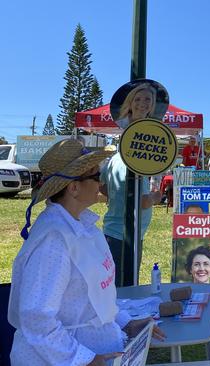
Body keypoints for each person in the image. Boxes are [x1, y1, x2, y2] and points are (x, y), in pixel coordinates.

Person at [9, 139, 165, 365]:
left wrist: (125, 322)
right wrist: (83, 359)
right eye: (95, 176)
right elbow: (36, 317)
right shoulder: (54, 240)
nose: (101, 181)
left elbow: (93, 297)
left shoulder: (82, 226)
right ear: (73, 188)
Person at [100, 152, 162, 287]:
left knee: (114, 281)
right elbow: (143, 202)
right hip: (127, 235)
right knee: (127, 286)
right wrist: (155, 197)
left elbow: (102, 186)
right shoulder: (136, 162)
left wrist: (117, 196)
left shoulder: (114, 159)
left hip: (113, 230)